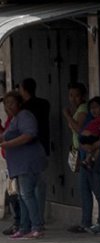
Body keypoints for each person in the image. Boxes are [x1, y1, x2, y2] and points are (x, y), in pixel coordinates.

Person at [0, 91, 47, 239]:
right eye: (6, 104)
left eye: (12, 103)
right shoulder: (14, 120)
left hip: (28, 162)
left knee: (27, 195)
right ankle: (24, 227)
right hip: (19, 164)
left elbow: (29, 134)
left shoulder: (25, 116)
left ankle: (37, 227)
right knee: (22, 196)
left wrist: (7, 144)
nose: (9, 106)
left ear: (19, 103)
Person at [78, 96, 100, 234]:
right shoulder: (96, 123)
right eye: (91, 108)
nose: (94, 110)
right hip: (96, 162)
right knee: (97, 193)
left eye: (96, 107)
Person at [20, 78, 50, 226]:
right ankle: (39, 219)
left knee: (27, 190)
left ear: (23, 89)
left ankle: (32, 222)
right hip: (43, 147)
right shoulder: (44, 104)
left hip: (28, 150)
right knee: (40, 185)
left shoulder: (23, 110)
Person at [63, 83, 91, 233]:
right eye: (71, 95)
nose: (73, 99)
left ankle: (87, 222)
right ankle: (86, 221)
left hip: (84, 151)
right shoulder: (79, 109)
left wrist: (67, 116)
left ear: (83, 96)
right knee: (84, 187)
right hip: (78, 150)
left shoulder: (83, 109)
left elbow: (79, 129)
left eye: (76, 95)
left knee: (87, 187)